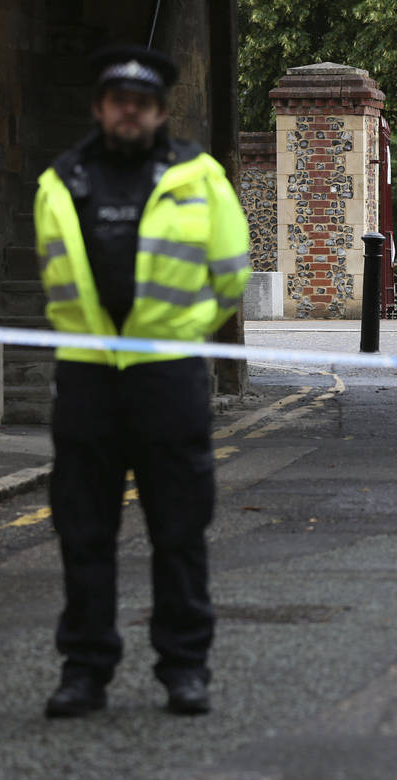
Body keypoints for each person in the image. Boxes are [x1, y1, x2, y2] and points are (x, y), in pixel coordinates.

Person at [35, 45, 250, 717]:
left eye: (144, 102)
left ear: (160, 111)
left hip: (168, 378)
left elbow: (231, 274)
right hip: (88, 381)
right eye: (118, 100)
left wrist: (181, 335)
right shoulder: (58, 181)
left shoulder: (200, 177)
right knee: (83, 531)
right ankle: (84, 671)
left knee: (179, 530)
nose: (130, 110)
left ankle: (185, 669)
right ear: (100, 107)